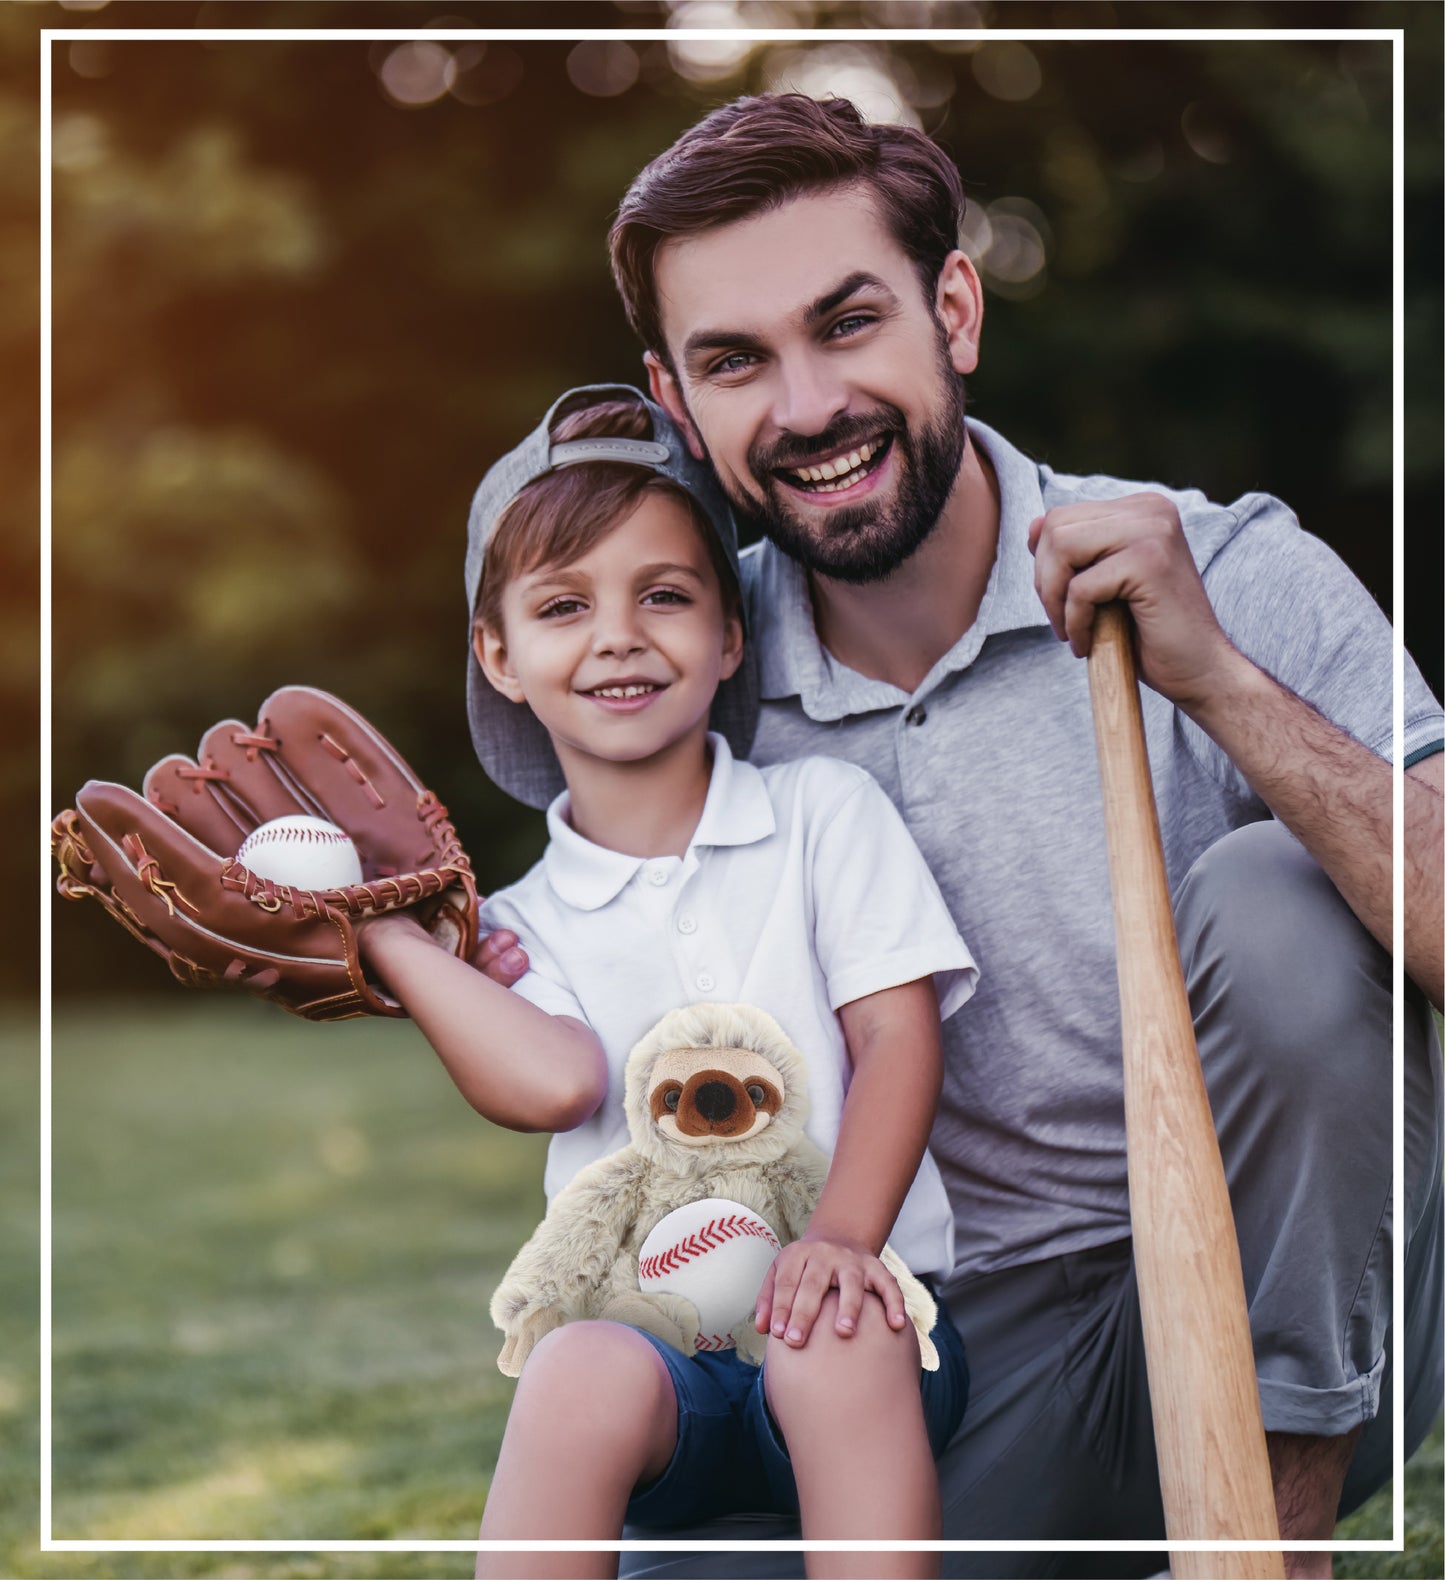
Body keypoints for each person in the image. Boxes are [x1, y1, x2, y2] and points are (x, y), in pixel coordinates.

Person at [477, 94, 1443, 1579]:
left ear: (954, 307)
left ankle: (1265, 1554)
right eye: (737, 362)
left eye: (846, 323)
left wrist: (1219, 682)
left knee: (1275, 899)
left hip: (1292, 1300)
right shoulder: (684, 663)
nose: (804, 408)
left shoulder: (1224, 565)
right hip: (936, 1345)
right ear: (676, 402)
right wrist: (378, 943)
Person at [362, 384, 977, 1580]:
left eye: (664, 594)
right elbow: (553, 1081)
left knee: (834, 1333)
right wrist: (393, 940)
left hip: (864, 1330)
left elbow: (897, 1041)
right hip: (666, 1371)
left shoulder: (819, 816)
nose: (617, 635)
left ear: (730, 631)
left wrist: (841, 1238)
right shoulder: (516, 926)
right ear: (498, 653)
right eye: (559, 605)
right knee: (573, 1366)